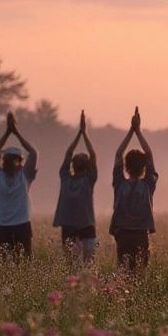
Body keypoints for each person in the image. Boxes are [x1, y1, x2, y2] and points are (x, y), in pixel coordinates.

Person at [109, 107, 157, 276]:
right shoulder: (148, 185)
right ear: (144, 167)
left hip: (122, 235)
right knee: (139, 275)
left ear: (126, 166)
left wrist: (131, 130)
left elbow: (118, 153)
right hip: (140, 235)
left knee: (124, 274)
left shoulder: (120, 183)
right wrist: (138, 131)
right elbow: (149, 154)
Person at [0, 111, 38, 260]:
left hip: (3, 226)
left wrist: (7, 132)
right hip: (22, 225)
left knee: (7, 265)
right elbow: (34, 152)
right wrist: (16, 132)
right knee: (25, 263)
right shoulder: (24, 176)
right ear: (20, 160)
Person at [53, 110, 98, 263]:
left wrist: (79, 133)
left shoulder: (65, 178)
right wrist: (84, 133)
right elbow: (93, 154)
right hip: (86, 226)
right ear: (87, 166)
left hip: (69, 226)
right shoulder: (88, 180)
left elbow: (68, 153)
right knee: (87, 263)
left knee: (71, 264)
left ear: (72, 165)